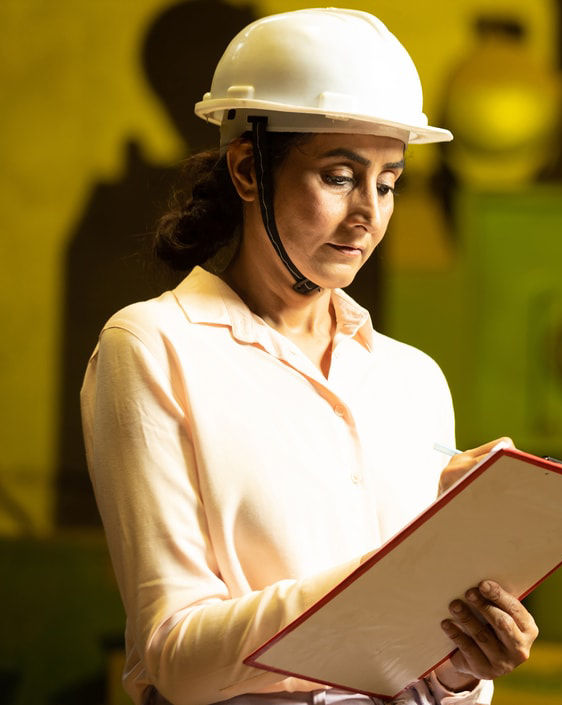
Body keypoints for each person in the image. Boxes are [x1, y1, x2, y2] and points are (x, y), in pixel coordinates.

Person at [80, 8, 537, 705]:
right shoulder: (153, 348)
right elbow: (176, 655)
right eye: (338, 175)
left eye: (387, 182)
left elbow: (417, 677)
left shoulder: (410, 380)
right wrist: (395, 581)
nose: (368, 214)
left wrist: (462, 659)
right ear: (246, 168)